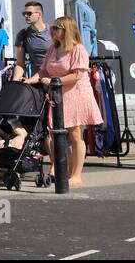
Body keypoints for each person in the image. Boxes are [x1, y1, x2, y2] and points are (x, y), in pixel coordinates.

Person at [39, 16, 104, 187]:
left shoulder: (78, 49)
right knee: (56, 135)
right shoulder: (53, 49)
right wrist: (32, 80)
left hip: (76, 94)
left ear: (67, 30)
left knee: (75, 134)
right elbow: (43, 71)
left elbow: (78, 75)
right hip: (58, 95)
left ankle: (76, 174)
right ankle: (66, 169)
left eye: (57, 27)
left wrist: (54, 80)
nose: (53, 30)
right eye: (53, 27)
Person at [13, 1, 50, 83]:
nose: (26, 16)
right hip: (35, 81)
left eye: (29, 13)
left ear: (39, 15)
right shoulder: (23, 34)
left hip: (53, 80)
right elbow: (20, 64)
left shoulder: (53, 32)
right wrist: (14, 83)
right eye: (24, 14)